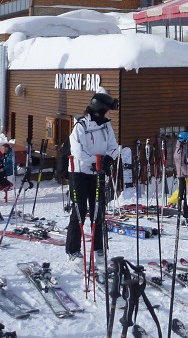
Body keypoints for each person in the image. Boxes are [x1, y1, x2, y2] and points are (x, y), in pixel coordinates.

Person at [66, 89, 120, 266]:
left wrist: (108, 160)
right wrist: (95, 162)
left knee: (98, 212)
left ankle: (98, 247)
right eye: (107, 110)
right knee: (79, 212)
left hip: (98, 174)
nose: (109, 113)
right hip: (80, 173)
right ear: (100, 109)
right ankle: (73, 250)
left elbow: (113, 146)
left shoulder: (106, 125)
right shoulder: (80, 126)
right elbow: (78, 152)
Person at [173, 132, 188, 221]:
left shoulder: (178, 148)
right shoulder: (182, 150)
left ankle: (181, 209)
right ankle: (186, 211)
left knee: (181, 192)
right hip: (185, 174)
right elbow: (183, 164)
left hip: (181, 174)